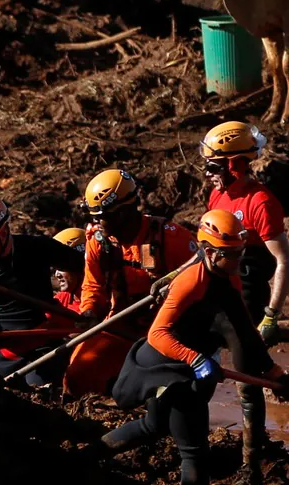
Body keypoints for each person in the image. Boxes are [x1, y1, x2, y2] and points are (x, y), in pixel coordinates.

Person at [102, 211, 280, 485]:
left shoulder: (229, 276)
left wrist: (276, 373)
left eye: (241, 252)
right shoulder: (191, 280)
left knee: (153, 425)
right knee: (194, 451)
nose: (239, 260)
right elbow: (157, 334)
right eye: (232, 254)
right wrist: (195, 359)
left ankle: (91, 454)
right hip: (165, 365)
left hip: (186, 364)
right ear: (210, 253)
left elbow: (244, 330)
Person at [199, 120, 289, 475]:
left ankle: (252, 459)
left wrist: (271, 314)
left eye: (212, 166)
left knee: (245, 378)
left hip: (247, 302)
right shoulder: (217, 196)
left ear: (235, 164)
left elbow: (284, 260)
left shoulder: (261, 202)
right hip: (216, 294)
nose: (207, 174)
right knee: (193, 363)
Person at [63, 169, 198, 397]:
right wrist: (89, 312)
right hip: (120, 324)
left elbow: (200, 280)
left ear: (124, 212)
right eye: (94, 216)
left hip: (167, 329)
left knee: (162, 392)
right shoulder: (99, 242)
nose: (97, 222)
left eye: (103, 216)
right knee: (77, 374)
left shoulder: (170, 238)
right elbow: (93, 286)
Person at [0, 196, 84, 388]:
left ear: (2, 232)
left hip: (45, 345)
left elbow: (83, 264)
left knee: (41, 392)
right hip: (6, 353)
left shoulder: (37, 248)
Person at [52, 228, 86, 311]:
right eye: (55, 268)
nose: (57, 274)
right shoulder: (61, 300)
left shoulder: (109, 298)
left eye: (61, 268)